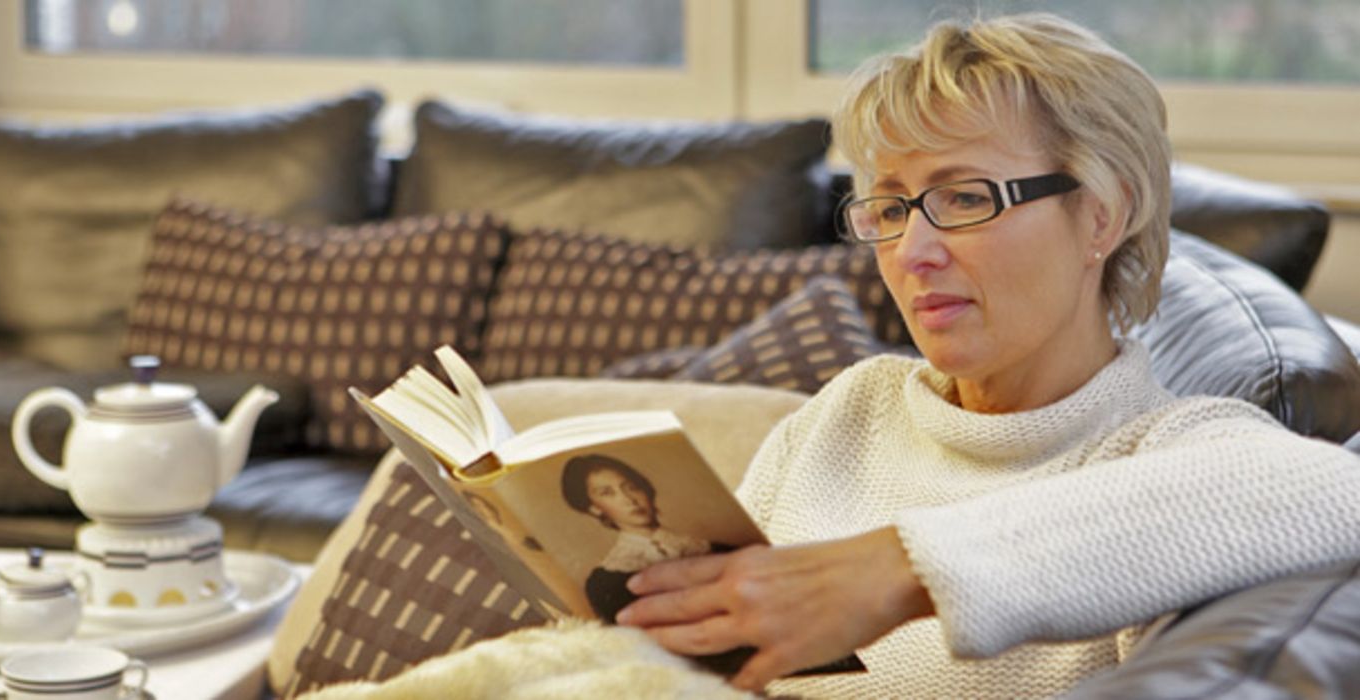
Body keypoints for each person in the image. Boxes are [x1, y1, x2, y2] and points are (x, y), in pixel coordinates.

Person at [613, 13, 1360, 698]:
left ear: (1104, 213)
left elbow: (1338, 495)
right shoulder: (849, 409)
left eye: (965, 199)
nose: (912, 252)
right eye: (891, 205)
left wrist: (900, 569)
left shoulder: (1163, 450)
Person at [560, 454, 716, 623]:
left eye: (631, 487)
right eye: (607, 493)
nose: (629, 500)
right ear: (594, 508)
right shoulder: (605, 582)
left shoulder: (709, 548)